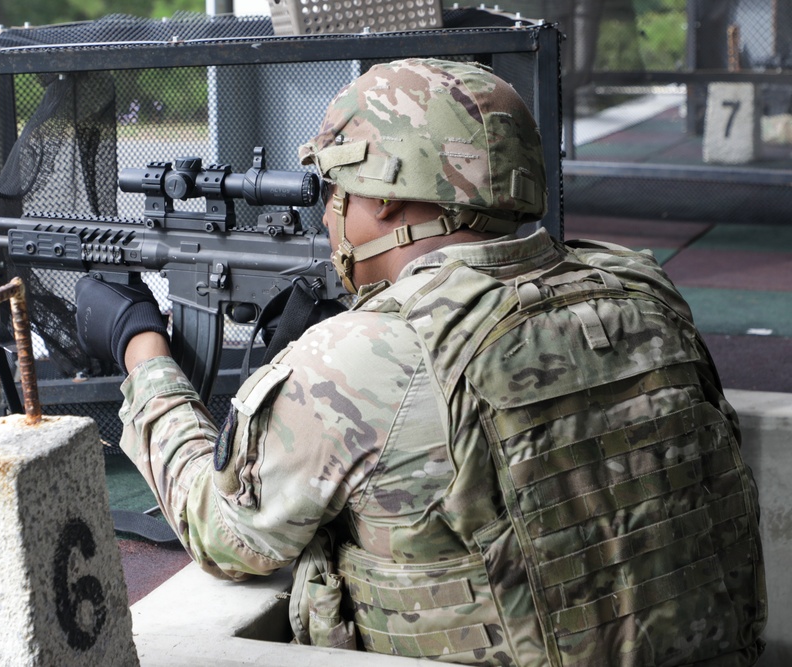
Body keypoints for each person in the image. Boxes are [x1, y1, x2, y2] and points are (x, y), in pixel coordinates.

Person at [75, 58, 767, 665]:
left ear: (383, 196)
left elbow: (220, 530)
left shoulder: (364, 358)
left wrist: (142, 346)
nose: (327, 215)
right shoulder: (641, 288)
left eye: (335, 190)